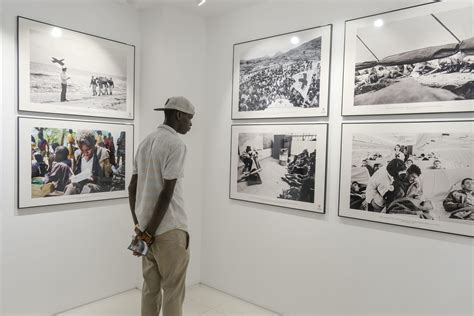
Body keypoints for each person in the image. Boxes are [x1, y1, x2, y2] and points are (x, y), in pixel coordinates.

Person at [128, 96, 194, 316]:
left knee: (150, 290)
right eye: (189, 118)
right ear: (178, 115)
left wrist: (140, 228)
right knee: (173, 292)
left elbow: (132, 188)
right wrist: (149, 232)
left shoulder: (145, 142)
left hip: (147, 228)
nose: (191, 124)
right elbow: (166, 193)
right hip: (169, 230)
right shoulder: (176, 144)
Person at [64, 130, 112, 195]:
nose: (85, 153)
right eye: (82, 150)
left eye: (88, 150)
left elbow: (109, 179)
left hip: (97, 186)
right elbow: (74, 173)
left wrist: (96, 178)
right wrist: (73, 178)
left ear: (94, 143)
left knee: (88, 187)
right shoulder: (78, 154)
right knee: (71, 187)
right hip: (80, 185)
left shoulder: (103, 154)